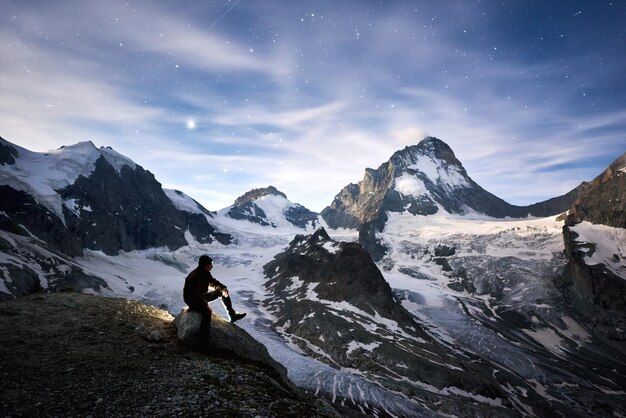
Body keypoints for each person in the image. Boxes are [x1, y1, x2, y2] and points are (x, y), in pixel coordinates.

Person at [183, 255, 246, 338]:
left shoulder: (205, 273)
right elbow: (194, 294)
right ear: (205, 265)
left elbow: (213, 282)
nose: (212, 266)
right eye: (210, 264)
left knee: (222, 292)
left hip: (200, 297)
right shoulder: (196, 276)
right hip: (192, 300)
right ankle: (203, 338)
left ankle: (232, 315)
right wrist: (204, 305)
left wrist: (223, 288)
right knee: (207, 312)